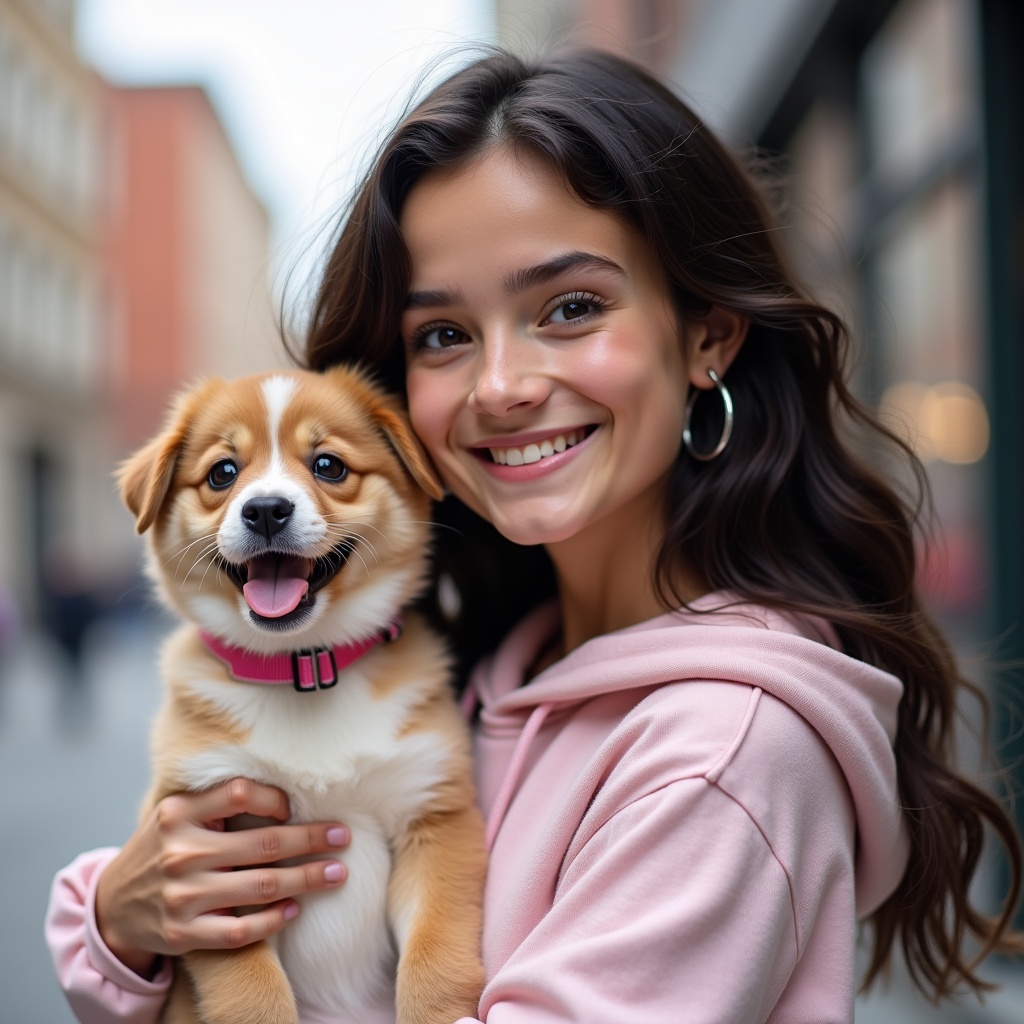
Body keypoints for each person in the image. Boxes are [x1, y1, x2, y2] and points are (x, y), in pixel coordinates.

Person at [46, 48, 1022, 1023]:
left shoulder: (718, 754)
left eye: (570, 307)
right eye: (442, 334)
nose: (501, 384)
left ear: (707, 335)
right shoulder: (494, 654)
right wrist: (120, 921)